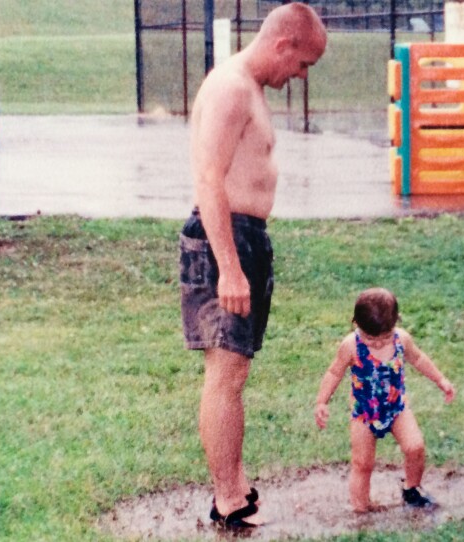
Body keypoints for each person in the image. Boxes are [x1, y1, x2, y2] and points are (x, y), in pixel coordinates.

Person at [178, 2, 327, 530]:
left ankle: (236, 485)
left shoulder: (249, 90)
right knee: (225, 373)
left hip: (246, 237)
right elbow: (208, 178)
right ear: (283, 44)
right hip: (227, 240)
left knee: (235, 371)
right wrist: (230, 267)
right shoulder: (231, 87)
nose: (300, 76)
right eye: (303, 63)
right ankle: (226, 501)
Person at [314, 287, 456, 512]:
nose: (378, 344)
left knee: (415, 447)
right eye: (370, 339)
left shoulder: (402, 340)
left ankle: (412, 489)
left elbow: (418, 359)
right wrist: (322, 401)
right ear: (355, 324)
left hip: (397, 408)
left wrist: (441, 380)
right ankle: (361, 509)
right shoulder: (351, 345)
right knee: (363, 464)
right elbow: (334, 372)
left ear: (395, 323)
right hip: (364, 414)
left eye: (385, 337)